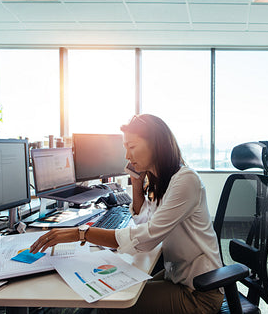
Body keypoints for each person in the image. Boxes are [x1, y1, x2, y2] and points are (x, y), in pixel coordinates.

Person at [30, 114, 224, 314]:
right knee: (109, 291)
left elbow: (146, 238)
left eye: (132, 147)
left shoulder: (185, 180)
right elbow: (142, 220)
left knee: (111, 304)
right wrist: (137, 182)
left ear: (156, 145)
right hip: (176, 277)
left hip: (199, 294)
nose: (127, 156)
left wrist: (81, 233)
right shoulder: (163, 181)